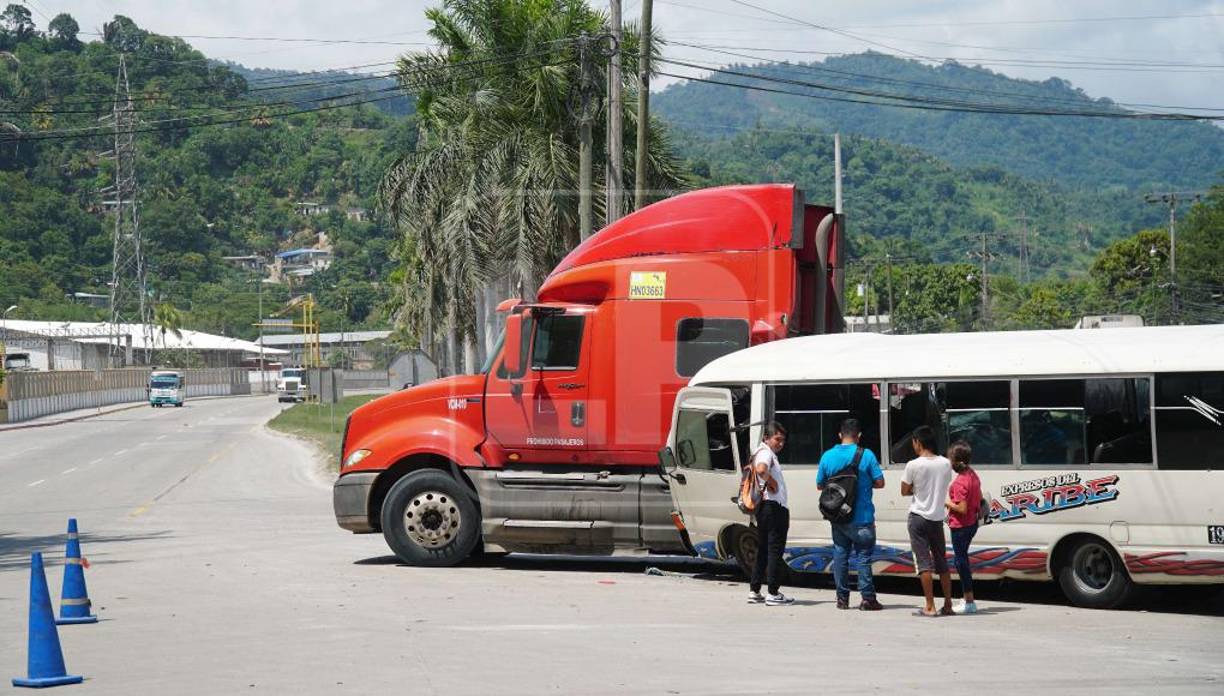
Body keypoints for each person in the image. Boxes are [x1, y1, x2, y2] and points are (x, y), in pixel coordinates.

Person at [817, 418, 885, 611]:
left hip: (839, 517)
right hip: (863, 517)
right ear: (859, 436)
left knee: (840, 555)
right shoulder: (867, 455)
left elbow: (820, 485)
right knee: (863, 558)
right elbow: (880, 483)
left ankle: (842, 599)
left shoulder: (827, 456)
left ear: (840, 435)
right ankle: (867, 599)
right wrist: (861, 484)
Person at [900, 425, 954, 617]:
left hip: (918, 517)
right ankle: (948, 604)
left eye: (913, 442)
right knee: (942, 562)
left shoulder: (913, 465)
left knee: (923, 563)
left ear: (918, 442)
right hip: (937, 518)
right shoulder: (946, 463)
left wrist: (917, 488)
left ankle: (929, 606)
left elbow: (904, 490)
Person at [747, 422, 794, 606]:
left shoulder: (761, 451)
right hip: (773, 508)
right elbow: (761, 469)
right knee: (775, 550)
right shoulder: (766, 453)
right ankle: (773, 593)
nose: (780, 443)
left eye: (783, 440)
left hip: (765, 509)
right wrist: (772, 481)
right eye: (777, 439)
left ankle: (755, 589)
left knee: (764, 550)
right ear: (766, 438)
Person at [945, 440, 982, 615]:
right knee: (962, 560)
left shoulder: (960, 482)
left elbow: (961, 508)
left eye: (949, 458)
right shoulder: (972, 474)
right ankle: (967, 598)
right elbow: (979, 498)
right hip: (972, 523)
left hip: (960, 526)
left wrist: (945, 501)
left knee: (961, 562)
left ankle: (969, 601)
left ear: (956, 461)